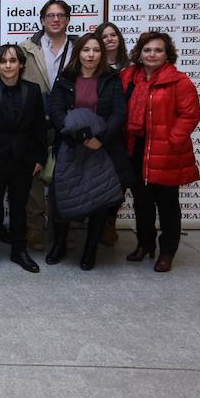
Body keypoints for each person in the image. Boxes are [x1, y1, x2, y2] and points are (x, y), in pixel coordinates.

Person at [46, 34, 133, 270]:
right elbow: (55, 110)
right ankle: (60, 244)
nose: (91, 55)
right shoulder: (64, 78)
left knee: (99, 199)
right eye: (86, 50)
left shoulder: (111, 78)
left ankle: (90, 250)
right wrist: (77, 136)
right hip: (71, 146)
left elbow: (118, 113)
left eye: (96, 50)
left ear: (101, 54)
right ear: (78, 53)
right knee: (61, 196)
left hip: (101, 148)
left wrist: (100, 139)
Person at [122, 32, 200, 272]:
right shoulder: (127, 77)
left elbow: (189, 115)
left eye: (158, 50)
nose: (152, 54)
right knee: (142, 202)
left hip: (166, 151)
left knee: (167, 204)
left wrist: (171, 140)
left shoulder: (179, 81)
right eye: (147, 50)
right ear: (139, 53)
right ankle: (145, 244)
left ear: (167, 55)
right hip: (135, 148)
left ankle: (167, 252)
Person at [0, 45, 47, 274]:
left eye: (13, 61)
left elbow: (39, 129)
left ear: (21, 64)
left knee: (19, 207)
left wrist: (40, 157)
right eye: (3, 62)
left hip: (24, 160)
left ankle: (19, 250)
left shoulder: (33, 91)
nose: (8, 65)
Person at [20, 0, 78, 251]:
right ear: (42, 19)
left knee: (63, 178)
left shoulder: (80, 49)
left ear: (67, 19)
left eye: (60, 15)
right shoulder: (25, 49)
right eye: (50, 15)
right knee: (33, 177)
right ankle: (34, 229)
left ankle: (61, 230)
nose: (55, 19)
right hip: (34, 124)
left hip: (69, 123)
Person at [93, 21, 131, 245]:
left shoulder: (131, 68)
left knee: (120, 179)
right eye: (104, 36)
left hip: (124, 133)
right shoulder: (91, 66)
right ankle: (96, 223)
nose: (109, 39)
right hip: (98, 133)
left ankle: (110, 223)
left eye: (113, 35)